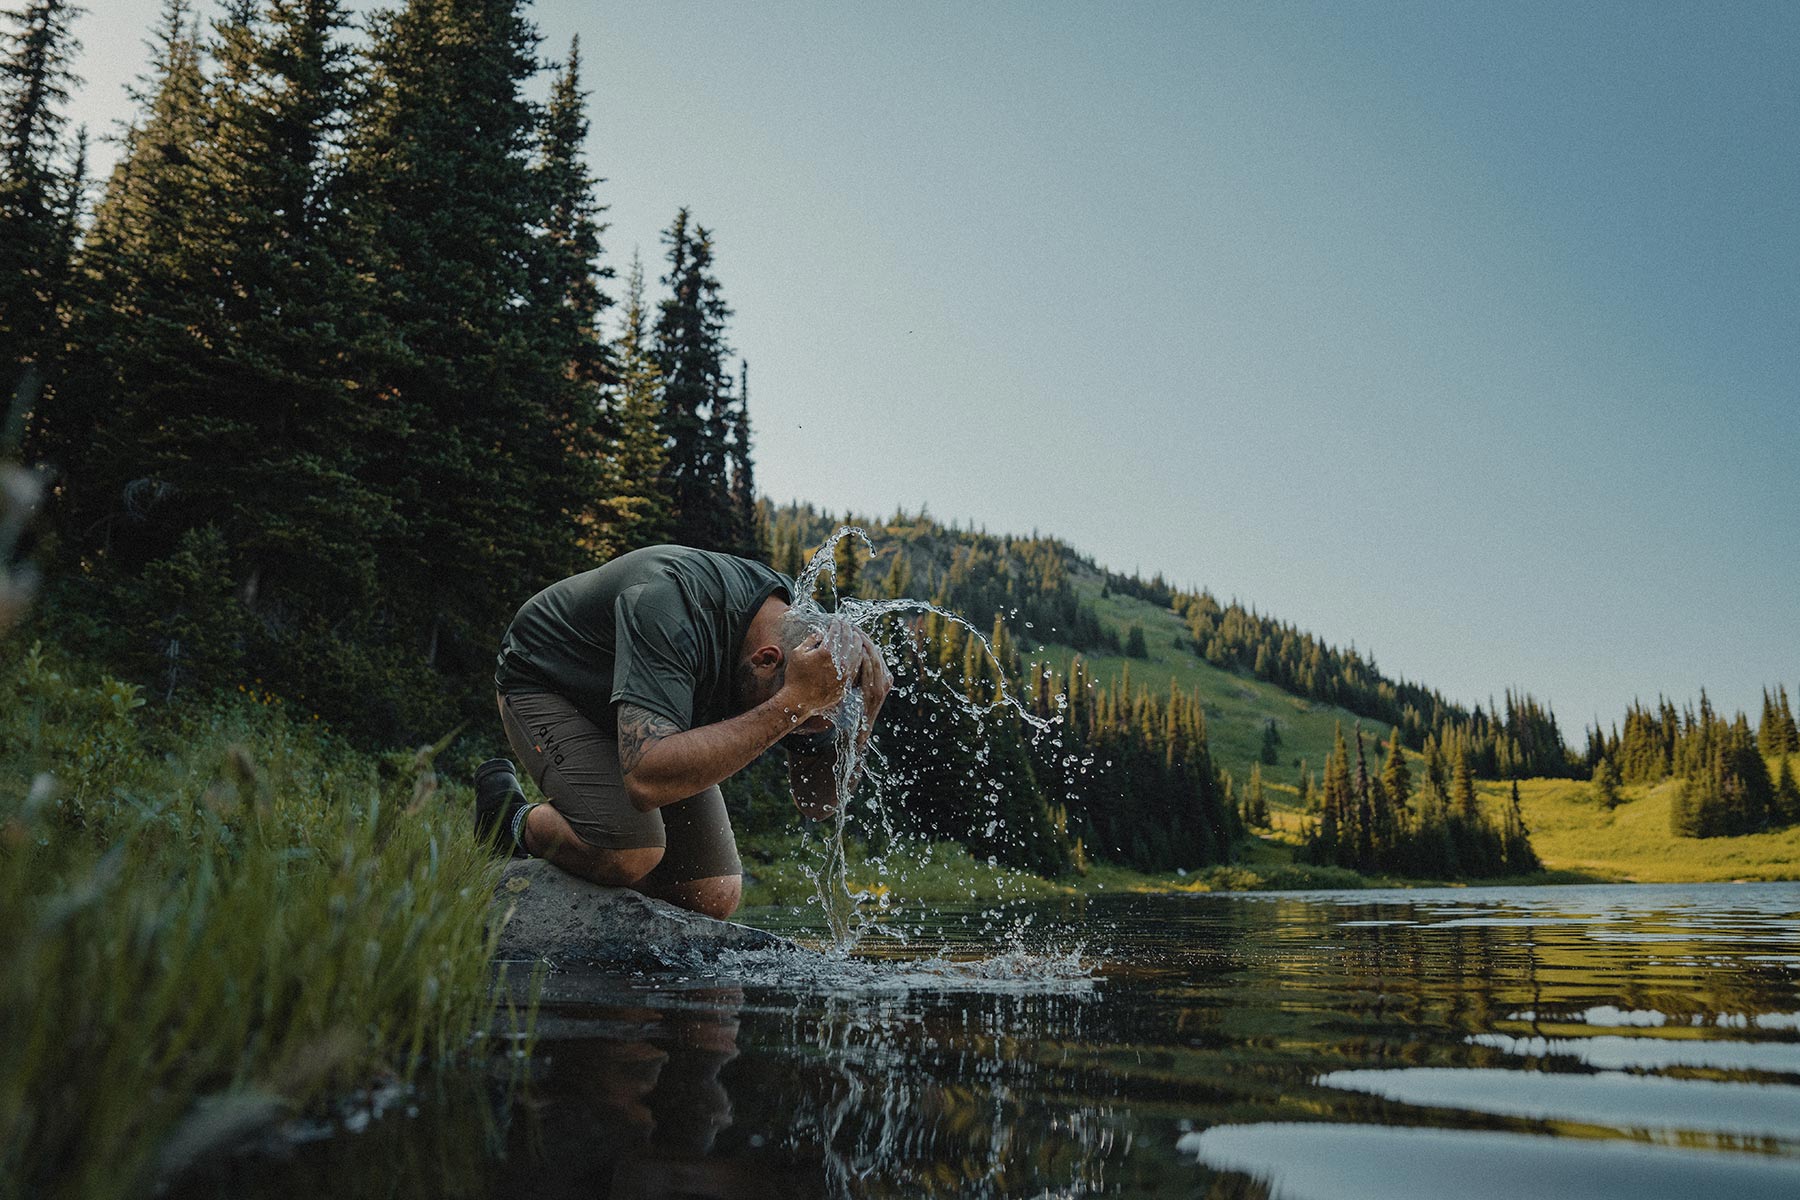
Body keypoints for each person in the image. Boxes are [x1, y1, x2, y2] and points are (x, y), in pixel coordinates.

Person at [475, 544, 891, 920]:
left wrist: (864, 719)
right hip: (549, 677)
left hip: (648, 708)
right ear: (766, 661)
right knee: (628, 851)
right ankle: (508, 818)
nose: (796, 724)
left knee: (713, 894)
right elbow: (645, 779)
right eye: (799, 715)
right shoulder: (669, 605)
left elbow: (816, 803)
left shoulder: (812, 656)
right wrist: (792, 705)